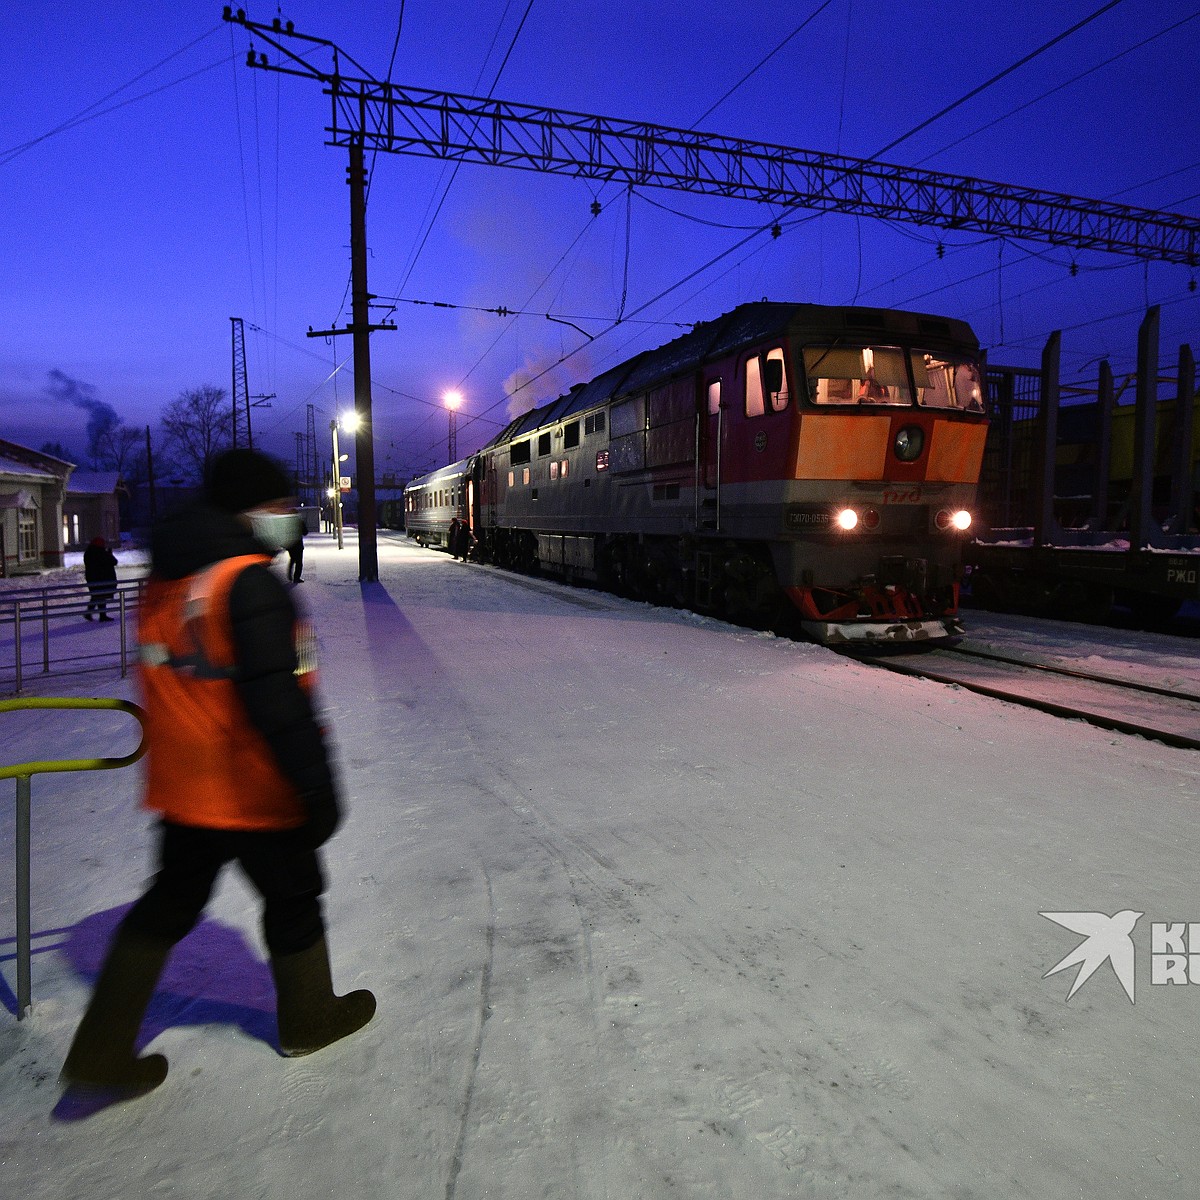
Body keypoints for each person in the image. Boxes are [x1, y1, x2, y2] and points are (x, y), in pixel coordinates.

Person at [61, 449, 374, 1098]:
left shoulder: (168, 579)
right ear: (249, 510)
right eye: (282, 507)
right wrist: (316, 786)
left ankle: (100, 1048)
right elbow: (278, 701)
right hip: (253, 785)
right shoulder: (247, 584)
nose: (290, 518)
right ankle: (310, 1018)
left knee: (170, 902)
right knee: (293, 896)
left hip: (184, 786)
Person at [83, 536, 118, 622]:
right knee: (100, 596)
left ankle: (91, 613)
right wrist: (109, 554)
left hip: (92, 578)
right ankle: (101, 615)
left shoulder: (88, 553)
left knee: (96, 596)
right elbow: (113, 561)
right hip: (102, 578)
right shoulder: (101, 553)